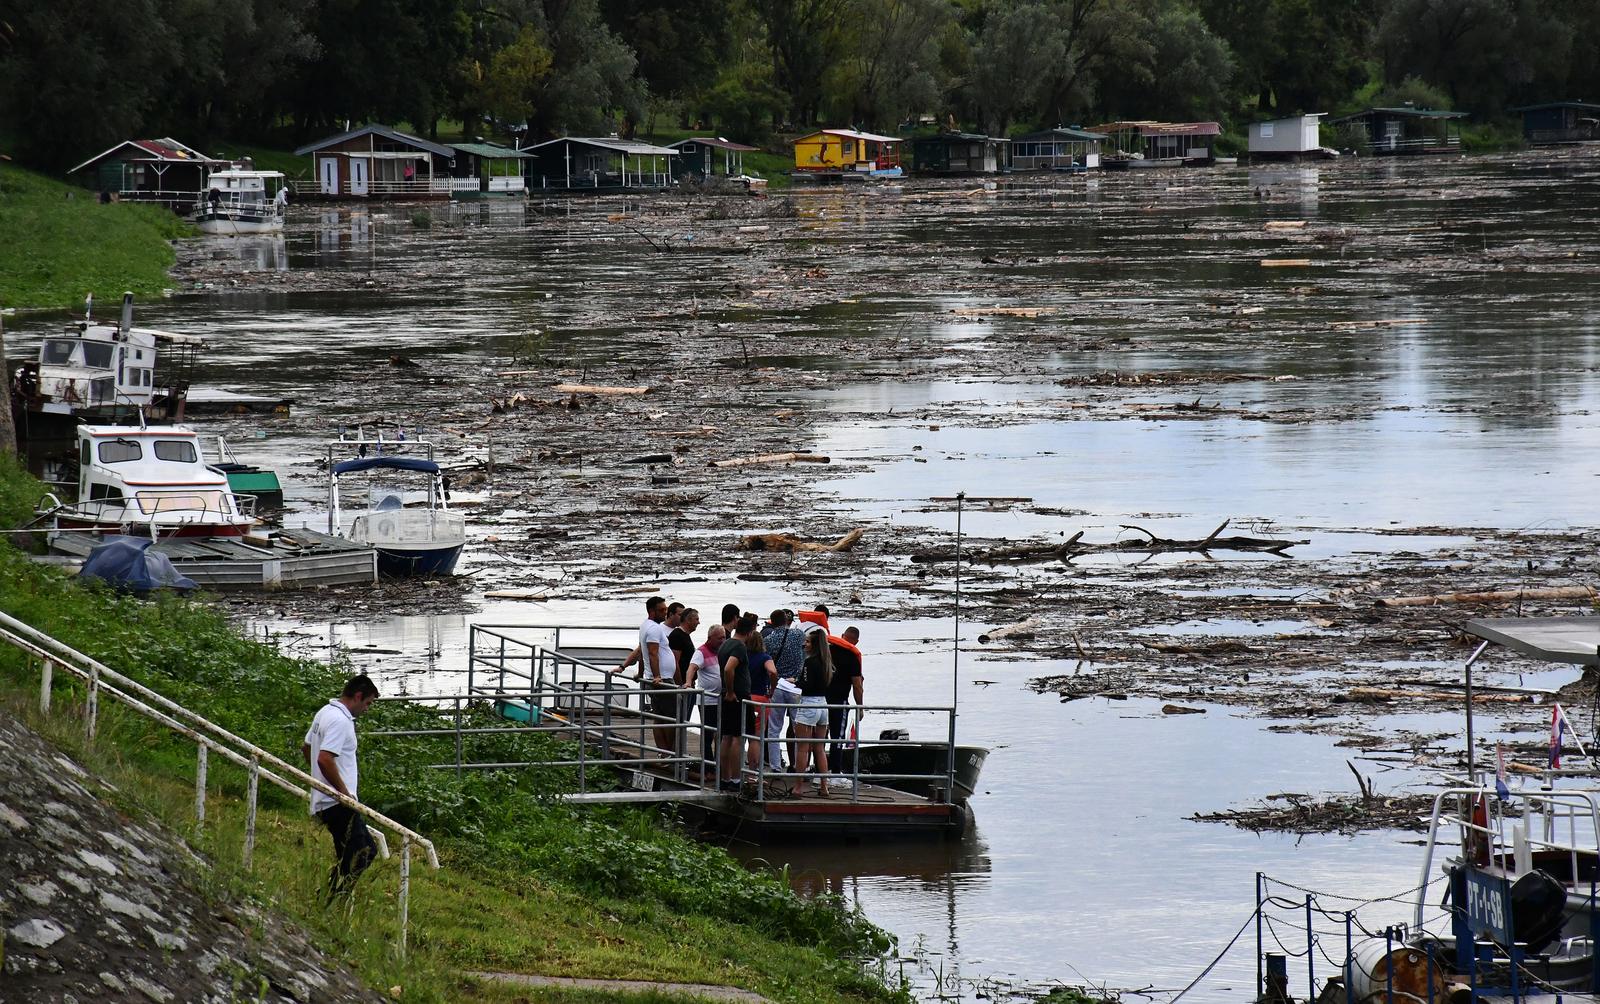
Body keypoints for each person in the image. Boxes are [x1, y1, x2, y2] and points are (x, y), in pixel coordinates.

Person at [301, 674, 380, 900]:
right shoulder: (340, 721)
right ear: (357, 696)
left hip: (326, 799)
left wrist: (320, 780)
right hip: (337, 802)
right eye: (368, 703)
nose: (367, 709)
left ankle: (329, 898)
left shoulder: (325, 712)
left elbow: (307, 748)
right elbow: (324, 758)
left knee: (348, 853)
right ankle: (329, 898)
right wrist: (344, 794)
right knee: (365, 852)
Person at [619, 596, 674, 758]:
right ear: (652, 611)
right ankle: (669, 752)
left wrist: (641, 673)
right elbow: (652, 653)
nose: (665, 613)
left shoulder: (645, 626)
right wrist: (657, 676)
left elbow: (642, 651)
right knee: (671, 718)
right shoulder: (654, 629)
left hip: (654, 677)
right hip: (662, 680)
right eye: (662, 610)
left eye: (666, 609)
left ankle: (663, 752)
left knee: (659, 717)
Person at [761, 610, 806, 775]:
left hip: (778, 686)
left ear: (771, 622)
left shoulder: (768, 640)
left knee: (774, 728)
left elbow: (766, 663)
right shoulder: (799, 635)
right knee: (798, 728)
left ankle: (775, 766)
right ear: (787, 620)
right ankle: (800, 766)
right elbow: (804, 654)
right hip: (796, 686)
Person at [790, 627, 833, 797]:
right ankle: (824, 786)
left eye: (807, 642)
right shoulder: (827, 662)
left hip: (809, 704)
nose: (804, 644)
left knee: (802, 748)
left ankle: (798, 787)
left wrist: (795, 682)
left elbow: (807, 684)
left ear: (814, 645)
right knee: (820, 748)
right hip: (823, 704)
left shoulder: (810, 662)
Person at [717, 614, 757, 791]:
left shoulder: (725, 643)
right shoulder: (739, 647)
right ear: (750, 632)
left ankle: (724, 778)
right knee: (737, 738)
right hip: (737, 696)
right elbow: (728, 668)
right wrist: (732, 691)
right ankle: (734, 779)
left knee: (726, 737)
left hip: (726, 695)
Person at [743, 624, 779, 777]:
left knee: (740, 736)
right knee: (756, 738)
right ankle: (753, 772)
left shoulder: (742, 656)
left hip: (744, 697)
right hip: (760, 698)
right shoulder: (765, 657)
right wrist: (772, 688)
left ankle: (735, 772)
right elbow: (773, 671)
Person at [826, 627, 865, 770]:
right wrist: (860, 707)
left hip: (821, 699)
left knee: (819, 737)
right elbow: (857, 685)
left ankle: (819, 772)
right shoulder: (852, 657)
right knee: (838, 737)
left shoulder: (826, 651)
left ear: (842, 635)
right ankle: (835, 772)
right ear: (856, 642)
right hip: (839, 701)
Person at [690, 625, 725, 777]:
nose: (722, 641)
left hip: (722, 699)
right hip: (708, 700)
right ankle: (709, 768)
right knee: (708, 734)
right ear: (710, 638)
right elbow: (691, 668)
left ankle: (720, 766)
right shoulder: (701, 651)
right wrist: (687, 682)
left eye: (724, 637)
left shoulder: (723, 651)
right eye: (719, 638)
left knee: (722, 734)